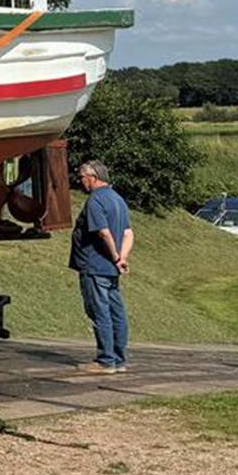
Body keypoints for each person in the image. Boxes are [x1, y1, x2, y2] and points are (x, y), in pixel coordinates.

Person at [70, 159, 132, 372]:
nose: (81, 182)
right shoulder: (118, 199)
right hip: (111, 269)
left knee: (99, 311)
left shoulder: (95, 201)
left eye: (82, 178)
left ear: (93, 178)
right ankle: (119, 359)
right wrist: (122, 258)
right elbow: (128, 233)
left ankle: (106, 360)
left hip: (95, 265)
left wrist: (115, 256)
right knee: (116, 311)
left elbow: (103, 232)